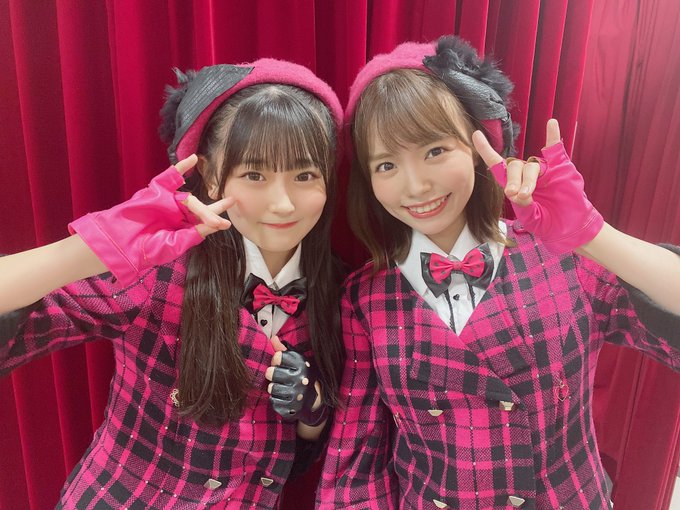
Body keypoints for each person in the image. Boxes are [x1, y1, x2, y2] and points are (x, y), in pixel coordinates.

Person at [317, 36, 680, 509]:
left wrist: (593, 234)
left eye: (434, 150)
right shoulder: (363, 299)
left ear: (476, 146)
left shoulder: (561, 254)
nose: (416, 185)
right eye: (386, 164)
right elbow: (357, 459)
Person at [0, 58, 345, 509]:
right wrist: (88, 250)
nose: (282, 203)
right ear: (213, 176)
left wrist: (311, 411)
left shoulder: (337, 289)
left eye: (304, 176)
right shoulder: (157, 272)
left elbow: (302, 458)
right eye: (254, 175)